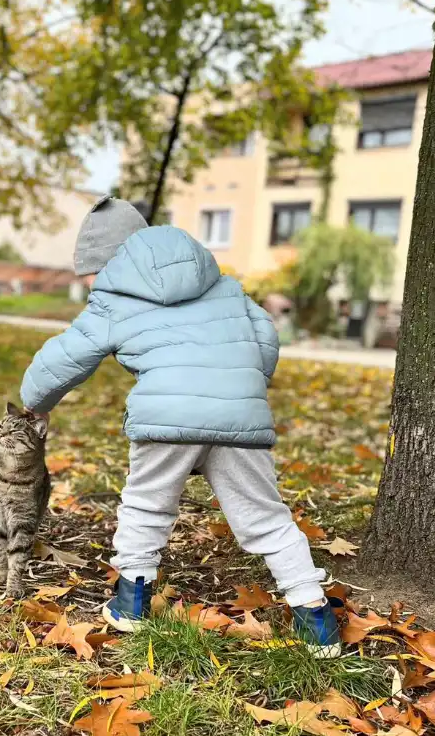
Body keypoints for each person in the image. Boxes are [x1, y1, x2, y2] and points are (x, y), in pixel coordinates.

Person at [20, 196, 341, 657]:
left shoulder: (113, 296)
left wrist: (35, 404)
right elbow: (265, 334)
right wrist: (244, 386)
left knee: (146, 504)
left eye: (88, 273)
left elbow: (63, 358)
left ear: (108, 262)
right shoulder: (221, 284)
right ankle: (316, 618)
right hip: (241, 418)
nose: (89, 283)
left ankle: (131, 603)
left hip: (165, 422)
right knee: (266, 517)